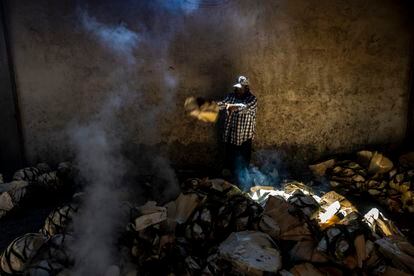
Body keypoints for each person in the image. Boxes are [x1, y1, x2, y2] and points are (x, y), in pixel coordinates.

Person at [217, 76, 257, 187]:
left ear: (246, 88)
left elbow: (244, 107)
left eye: (239, 88)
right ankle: (228, 184)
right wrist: (212, 106)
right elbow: (223, 104)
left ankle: (244, 184)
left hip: (244, 137)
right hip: (231, 134)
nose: (236, 90)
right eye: (236, 88)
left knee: (243, 162)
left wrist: (232, 106)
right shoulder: (231, 96)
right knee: (229, 160)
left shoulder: (252, 99)